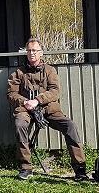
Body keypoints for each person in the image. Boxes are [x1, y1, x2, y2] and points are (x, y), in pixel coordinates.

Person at [8, 38, 88, 181]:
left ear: (41, 53)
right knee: (20, 125)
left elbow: (55, 91)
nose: (32, 53)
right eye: (29, 50)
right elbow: (11, 94)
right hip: (25, 109)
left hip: (48, 109)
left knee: (70, 126)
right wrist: (25, 101)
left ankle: (80, 168)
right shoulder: (18, 73)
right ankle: (26, 167)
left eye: (35, 50)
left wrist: (37, 100)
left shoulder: (50, 70)